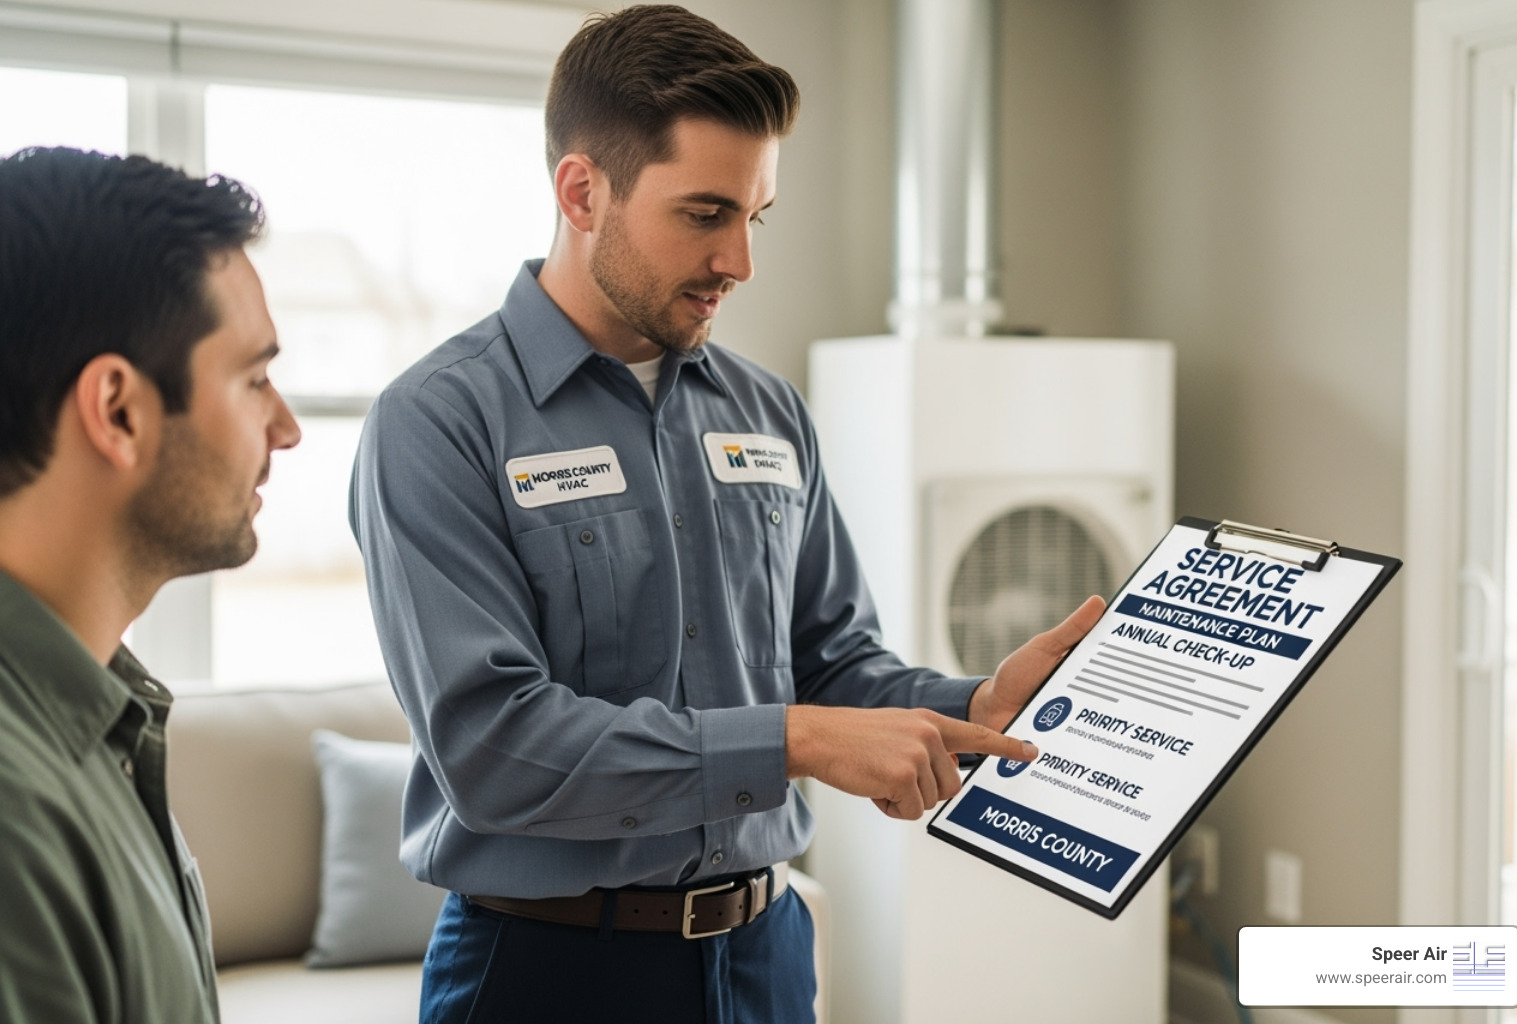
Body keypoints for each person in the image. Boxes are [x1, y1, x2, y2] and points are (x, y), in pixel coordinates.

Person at [349, 6, 1104, 1023]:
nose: (740, 262)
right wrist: (792, 740)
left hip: (765, 960)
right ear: (582, 191)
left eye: (757, 216)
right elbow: (493, 748)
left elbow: (833, 661)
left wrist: (968, 709)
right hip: (546, 973)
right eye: (705, 214)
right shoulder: (438, 421)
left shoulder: (770, 412)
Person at [0, 147, 301, 1022]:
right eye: (253, 379)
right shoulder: (16, 813)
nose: (284, 429)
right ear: (120, 411)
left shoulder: (101, 720)